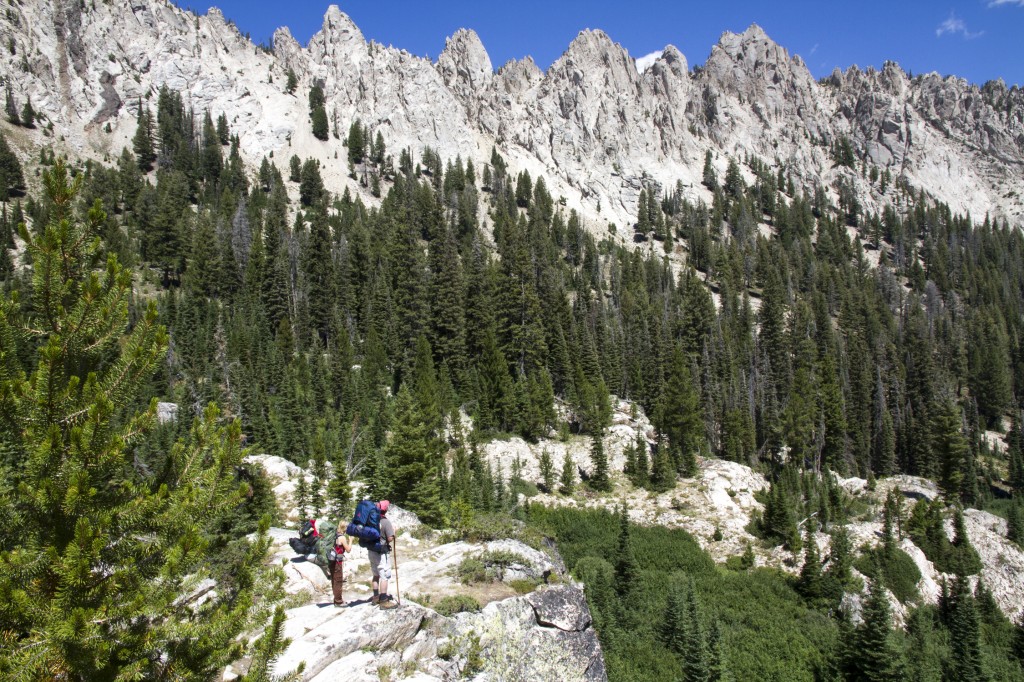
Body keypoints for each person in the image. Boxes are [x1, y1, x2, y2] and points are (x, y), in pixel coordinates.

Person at [369, 500, 397, 609]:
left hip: (371, 551)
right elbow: (389, 538)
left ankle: (376, 597)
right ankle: (384, 601)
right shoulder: (385, 522)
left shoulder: (371, 520)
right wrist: (394, 532)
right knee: (384, 576)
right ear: (385, 510)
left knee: (375, 575)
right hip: (381, 552)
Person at [328, 528, 352, 607]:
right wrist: (351, 540)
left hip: (330, 560)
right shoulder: (342, 537)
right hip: (337, 562)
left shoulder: (332, 535)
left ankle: (336, 599)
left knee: (333, 580)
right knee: (338, 581)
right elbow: (348, 549)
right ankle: (338, 601)